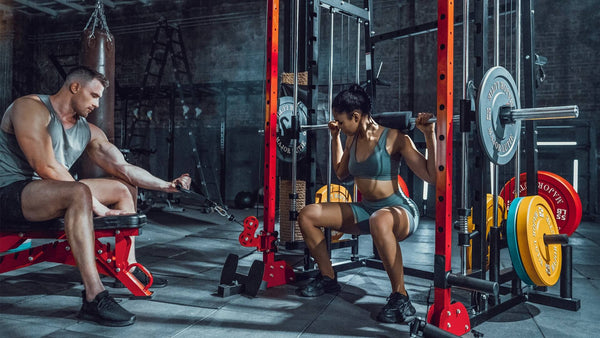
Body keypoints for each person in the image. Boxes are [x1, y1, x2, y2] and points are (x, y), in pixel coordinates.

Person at [0, 66, 191, 326]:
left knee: (122, 186)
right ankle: (94, 296)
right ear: (75, 87)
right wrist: (98, 207)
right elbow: (45, 166)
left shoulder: (87, 130)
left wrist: (167, 185)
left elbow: (123, 168)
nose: (97, 104)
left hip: (50, 192)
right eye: (94, 95)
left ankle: (129, 268)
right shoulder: (30, 107)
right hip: (11, 192)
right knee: (79, 192)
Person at [296, 84, 436, 324]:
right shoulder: (351, 139)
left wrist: (428, 134)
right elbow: (341, 173)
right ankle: (328, 277)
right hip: (367, 211)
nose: (338, 125)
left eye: (341, 122)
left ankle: (400, 296)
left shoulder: (395, 138)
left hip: (399, 210)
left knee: (379, 219)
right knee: (308, 214)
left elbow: (431, 176)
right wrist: (335, 137)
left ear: (356, 116)